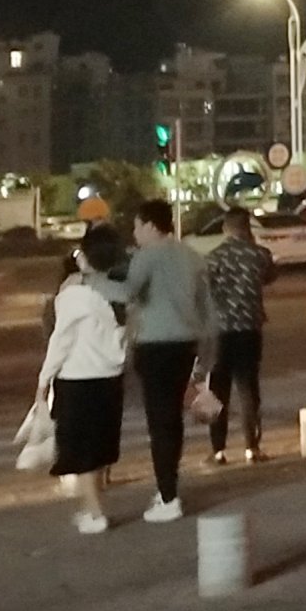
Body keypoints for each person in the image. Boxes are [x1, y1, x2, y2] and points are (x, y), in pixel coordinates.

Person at [100, 198, 209, 523]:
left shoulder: (147, 256)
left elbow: (128, 293)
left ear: (150, 225)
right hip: (185, 344)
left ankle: (168, 497)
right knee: (172, 419)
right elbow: (206, 306)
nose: (135, 233)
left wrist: (93, 283)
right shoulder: (191, 255)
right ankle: (167, 486)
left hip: (155, 346)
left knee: (160, 422)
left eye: (137, 226)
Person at [36, 224, 128, 536]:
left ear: (86, 257)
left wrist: (44, 381)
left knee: (83, 452)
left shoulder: (74, 295)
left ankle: (95, 514)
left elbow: (60, 340)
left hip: (78, 379)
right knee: (100, 449)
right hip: (110, 378)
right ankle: (91, 508)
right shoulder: (119, 292)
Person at [203, 207, 276, 466]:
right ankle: (252, 447)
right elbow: (269, 277)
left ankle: (218, 450)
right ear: (248, 227)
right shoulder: (260, 255)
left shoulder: (213, 258)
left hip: (220, 331)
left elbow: (204, 290)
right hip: (249, 329)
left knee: (218, 390)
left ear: (225, 228)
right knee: (248, 388)